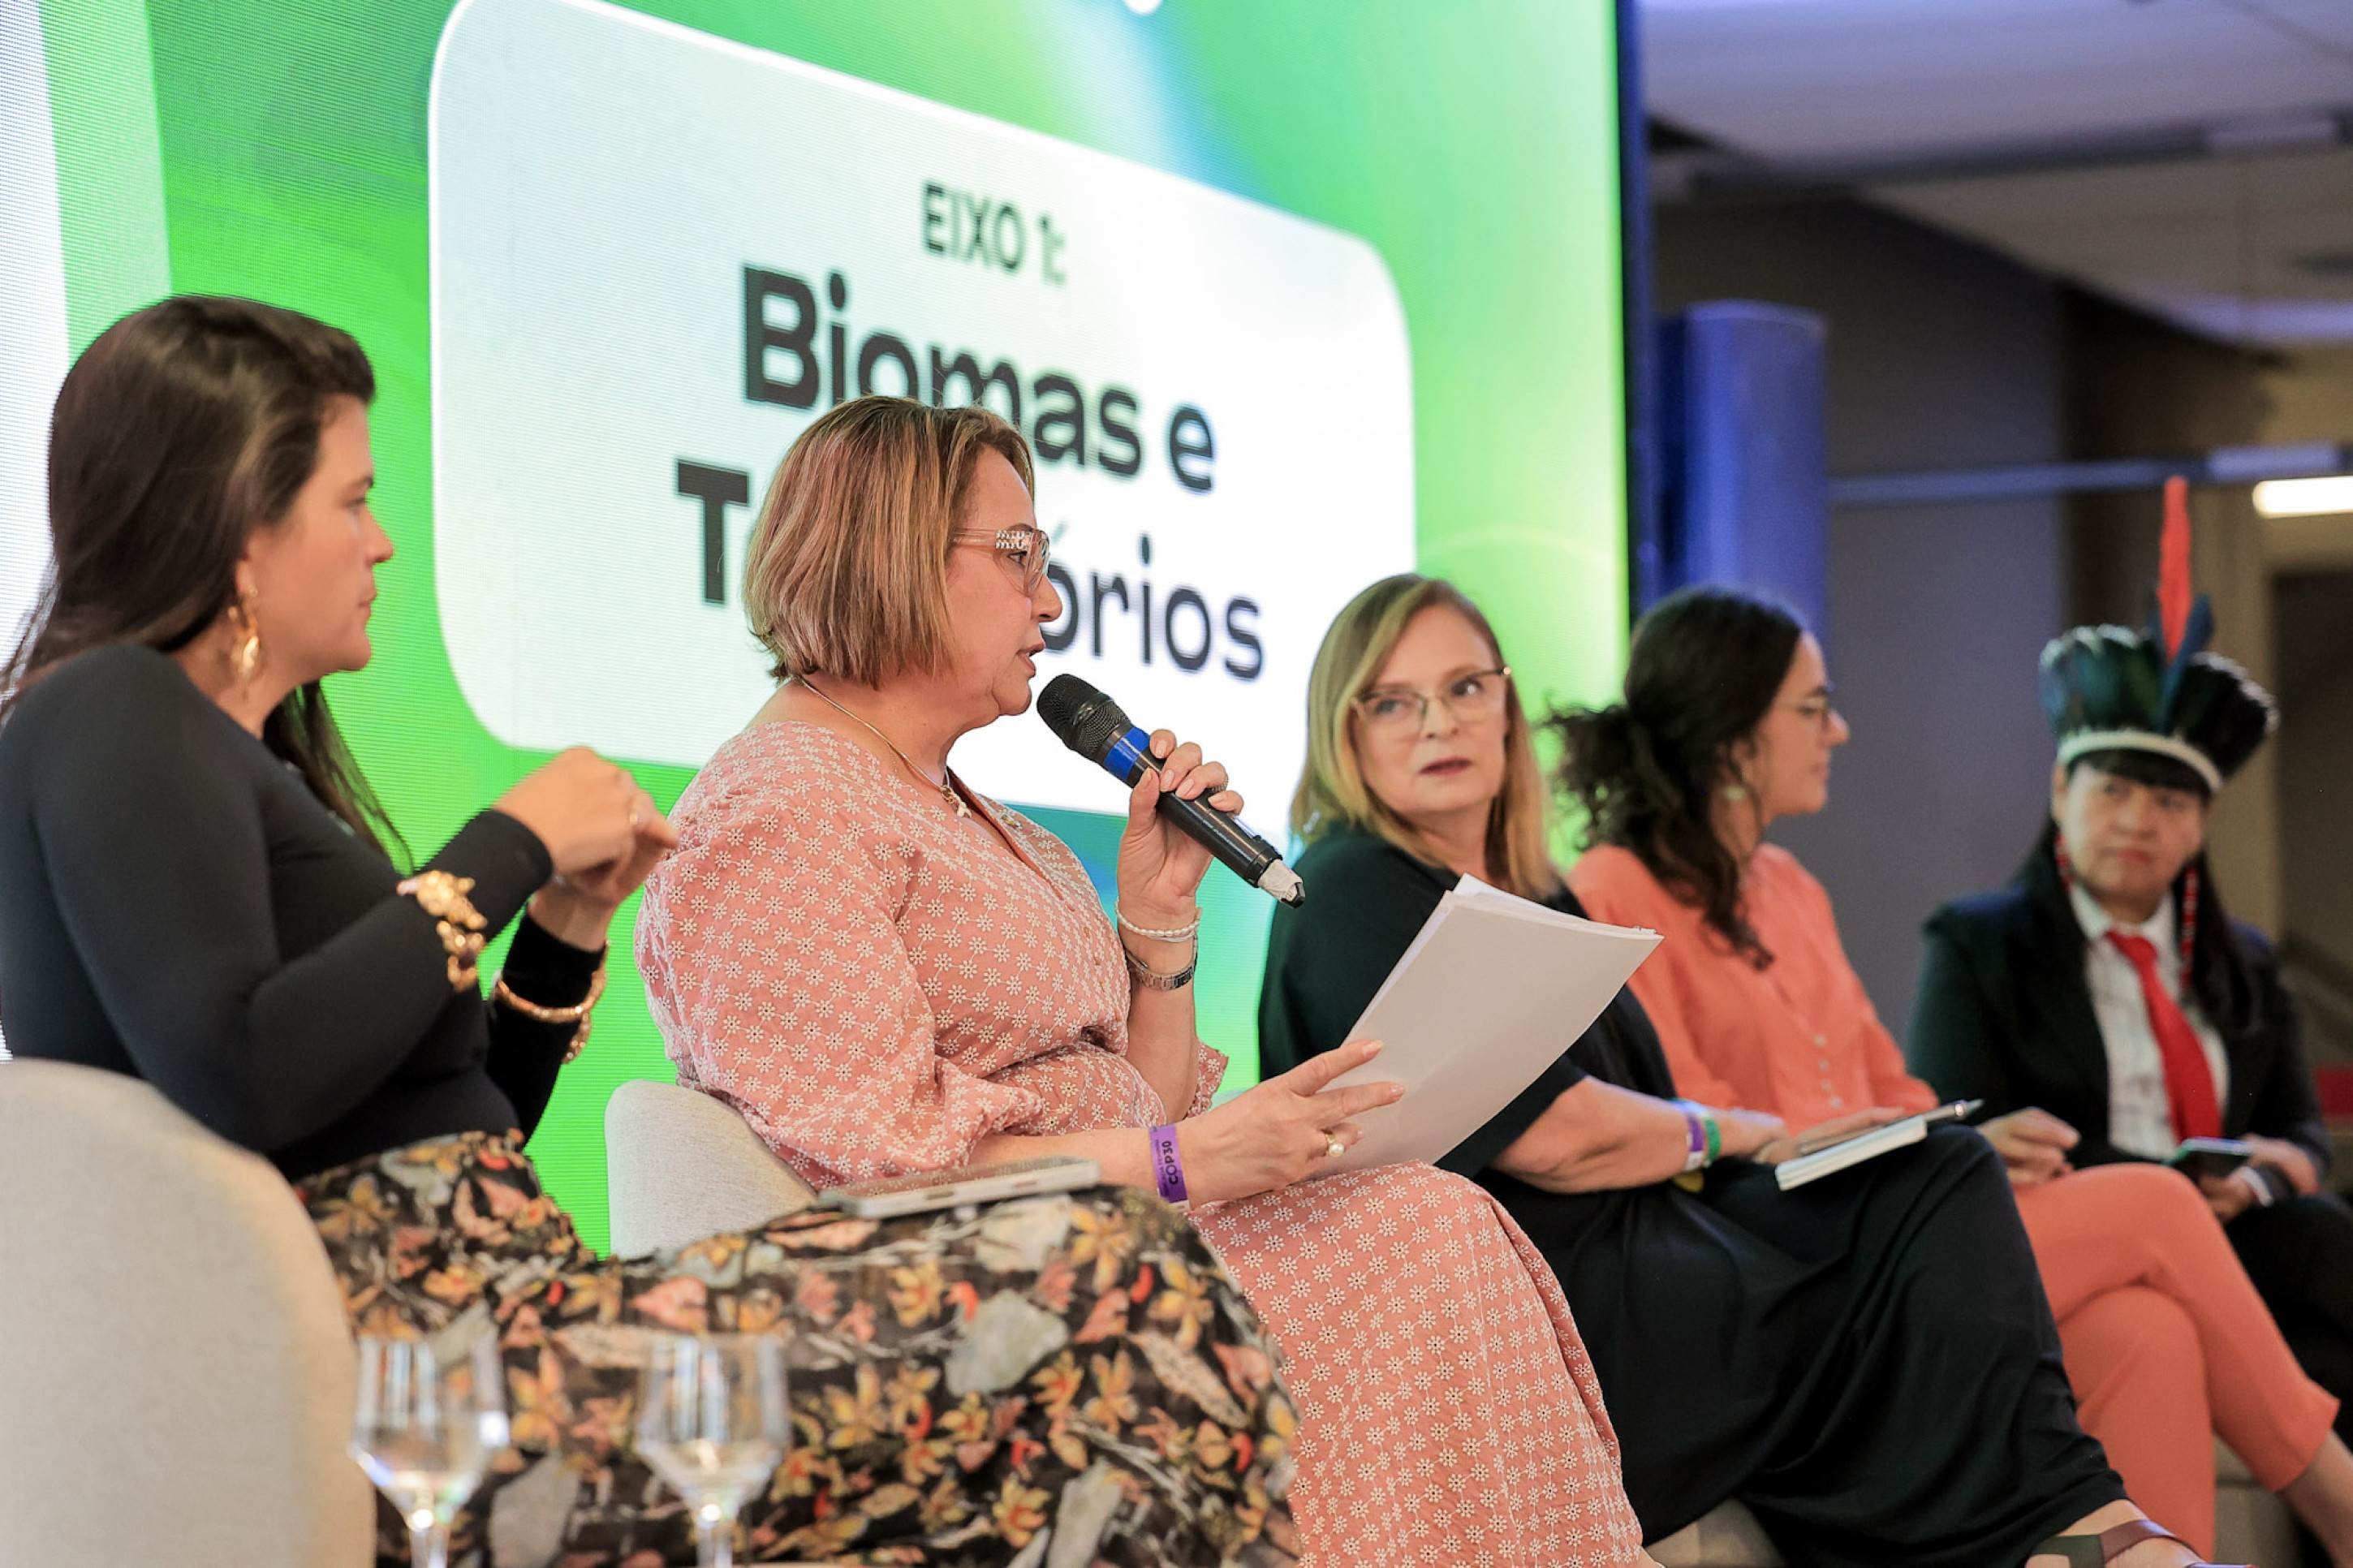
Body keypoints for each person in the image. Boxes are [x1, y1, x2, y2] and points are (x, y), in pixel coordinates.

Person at [0, 297, 1299, 1568]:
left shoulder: (227, 757)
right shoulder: (107, 710)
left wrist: (565, 926)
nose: (382, 542)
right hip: (451, 1368)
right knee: (1112, 1273)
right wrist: (502, 847)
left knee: (1111, 1320)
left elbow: (458, 1127)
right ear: (239, 521)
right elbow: (239, 1066)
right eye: (349, 501)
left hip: (501, 1307)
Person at [635, 397, 1653, 1567]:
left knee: (1428, 1217)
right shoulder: (777, 811)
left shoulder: (974, 813)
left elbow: (1140, 1108)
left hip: (1115, 1252)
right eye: (1016, 555)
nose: (1051, 599)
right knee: (1417, 1238)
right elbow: (880, 1179)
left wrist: (1159, 928)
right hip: (974, 1327)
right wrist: (1182, 1163)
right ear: (889, 555)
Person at [1258, 571, 2248, 1568]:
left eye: (1467, 688)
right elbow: (1557, 1138)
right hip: (1554, 1310)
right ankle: (2064, 1535)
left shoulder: (1536, 888)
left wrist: (1818, 1138)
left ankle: (2069, 1529)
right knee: (1930, 1221)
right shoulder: (1347, 884)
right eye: (1394, 702)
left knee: (1940, 1169)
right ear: (1345, 730)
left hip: (1658, 1250)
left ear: (1507, 705)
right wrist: (1741, 1130)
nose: (1440, 723)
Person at [1559, 581, 2353, 1565]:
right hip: (1775, 1265)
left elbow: (1895, 1093)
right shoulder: (1608, 889)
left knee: (2145, 1329)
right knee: (2154, 1205)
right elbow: (1682, 1134)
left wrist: (1968, 1139)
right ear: (1732, 736)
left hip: (1885, 1217)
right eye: (1814, 708)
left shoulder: (1788, 885)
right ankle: (2338, 1500)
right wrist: (1880, 1143)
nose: (1839, 730)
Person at [1911, 523, 2353, 1503]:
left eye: (2167, 804)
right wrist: (2148, 1187)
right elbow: (1953, 1121)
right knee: (2172, 1306)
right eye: (2112, 792)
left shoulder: (2243, 962)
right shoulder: (1977, 943)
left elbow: (2299, 1132)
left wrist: (2261, 1179)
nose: (2136, 824)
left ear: (2199, 825)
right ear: (2061, 792)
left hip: (2237, 1229)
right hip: (2087, 1227)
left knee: (2326, 1237)